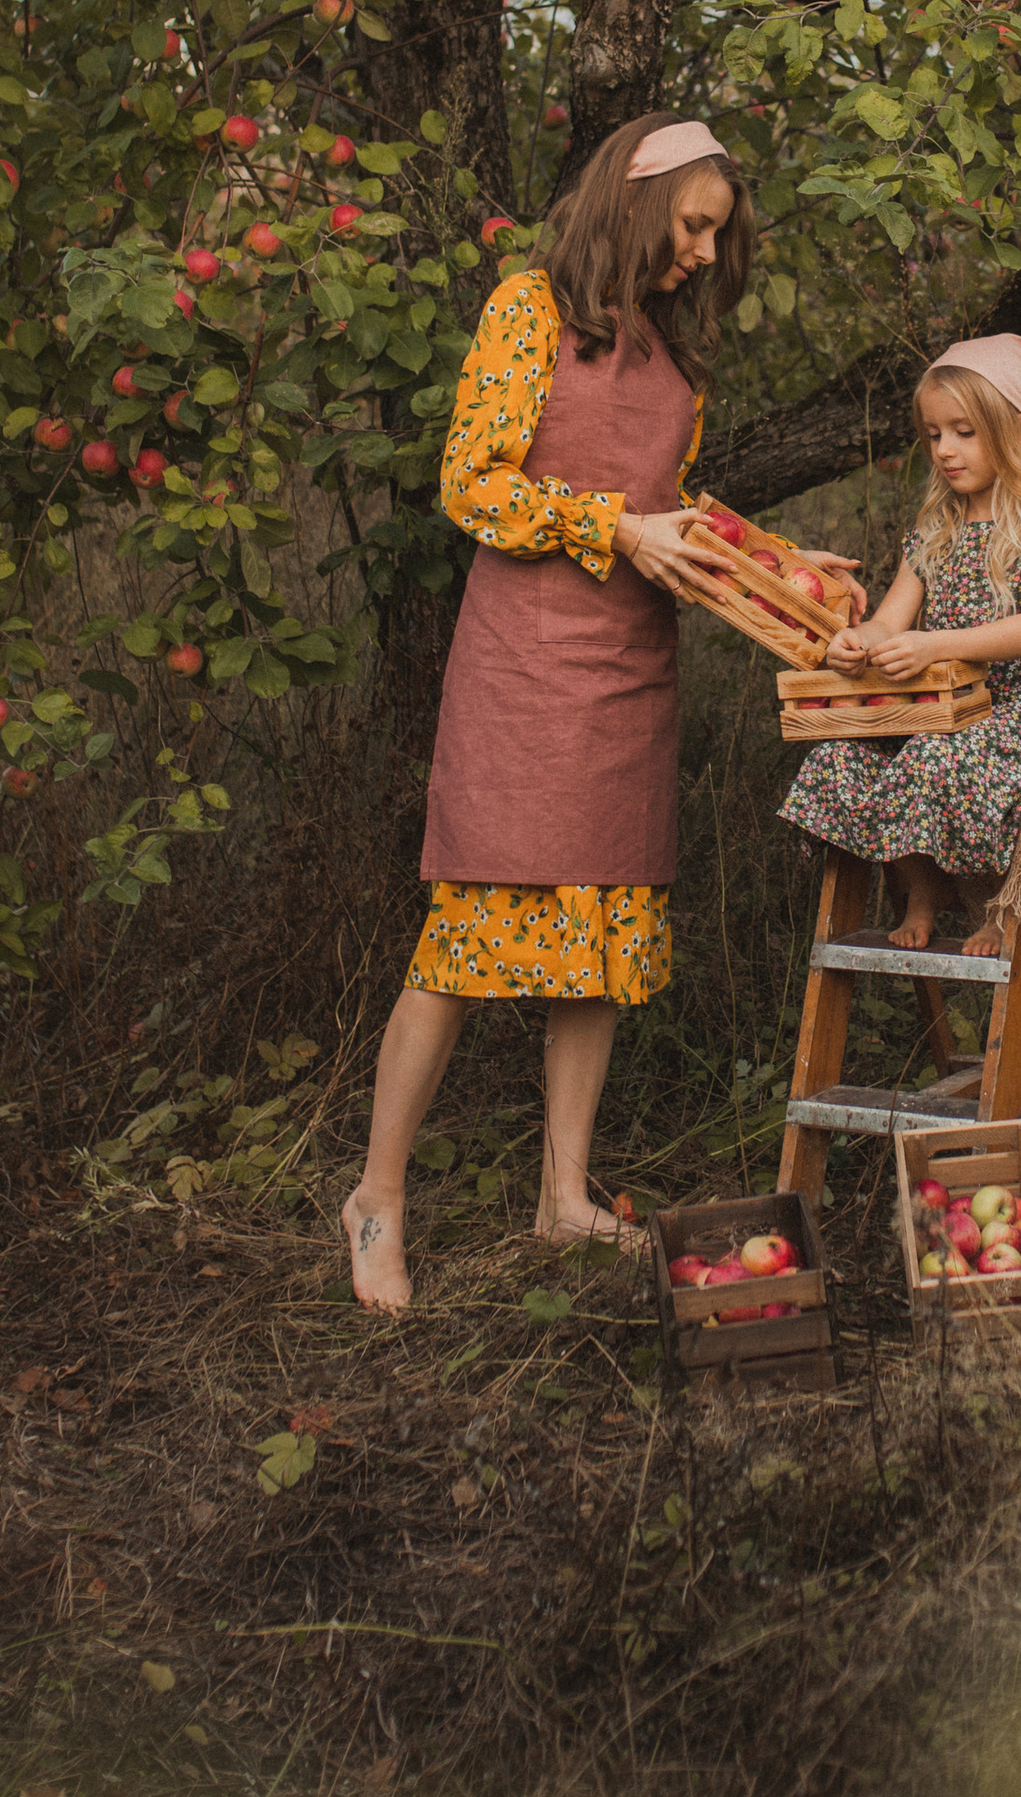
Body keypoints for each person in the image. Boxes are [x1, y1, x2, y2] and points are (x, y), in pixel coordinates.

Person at [342, 112, 859, 1312]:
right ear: (635, 201)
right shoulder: (527, 310)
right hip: (524, 671)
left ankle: (563, 1201)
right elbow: (472, 485)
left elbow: (671, 512)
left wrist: (784, 567)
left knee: (601, 946)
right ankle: (376, 1197)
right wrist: (611, 530)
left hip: (629, 669)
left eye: (715, 235)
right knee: (466, 942)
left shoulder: (672, 352)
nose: (702, 253)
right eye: (693, 227)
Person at [778, 334, 1021, 949]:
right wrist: (857, 641)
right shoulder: (937, 526)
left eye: (964, 432)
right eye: (933, 435)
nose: (944, 450)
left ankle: (996, 903)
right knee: (840, 757)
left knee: (935, 757)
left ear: (1015, 428)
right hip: (940, 709)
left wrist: (934, 646)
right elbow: (890, 621)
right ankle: (922, 889)